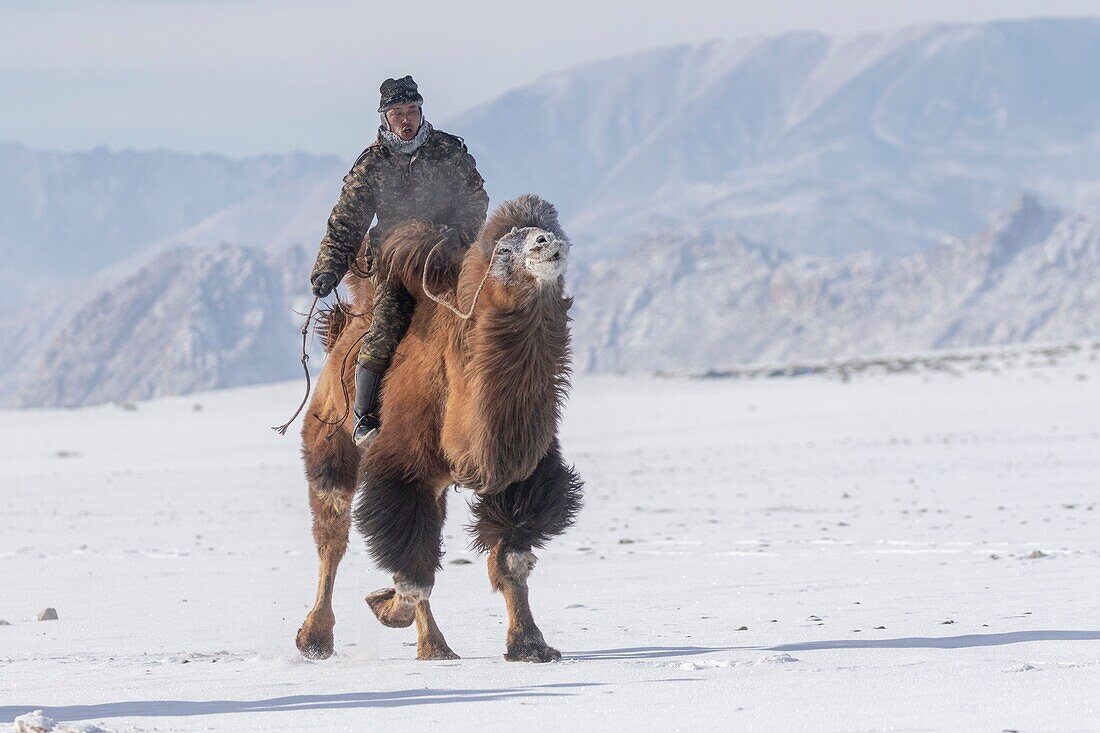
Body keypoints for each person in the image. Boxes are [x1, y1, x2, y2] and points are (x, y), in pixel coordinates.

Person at [310, 76, 489, 446]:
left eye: (412, 111)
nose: (406, 119)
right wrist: (328, 267)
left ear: (422, 111)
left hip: (448, 255)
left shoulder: (449, 151)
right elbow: (347, 220)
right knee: (387, 325)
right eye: (397, 113)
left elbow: (475, 199)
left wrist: (461, 231)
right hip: (395, 263)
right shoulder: (372, 164)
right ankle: (365, 417)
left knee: (487, 316)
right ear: (385, 118)